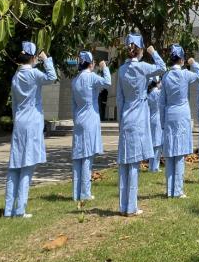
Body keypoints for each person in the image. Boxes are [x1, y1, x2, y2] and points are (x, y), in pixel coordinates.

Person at [4, 41, 57, 218]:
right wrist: (46, 59)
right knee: (27, 166)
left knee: (14, 166)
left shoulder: (16, 76)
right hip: (32, 122)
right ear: (33, 57)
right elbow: (52, 77)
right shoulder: (33, 74)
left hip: (19, 122)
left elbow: (14, 105)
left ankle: (8, 209)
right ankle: (20, 209)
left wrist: (16, 120)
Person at [117, 34, 166, 216]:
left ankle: (122, 206)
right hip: (138, 117)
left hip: (126, 116)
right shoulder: (143, 67)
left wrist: (120, 122)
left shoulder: (121, 70)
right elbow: (162, 68)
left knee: (124, 163)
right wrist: (153, 53)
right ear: (140, 50)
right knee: (134, 164)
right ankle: (131, 207)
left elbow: (120, 98)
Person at [160, 44, 199, 198]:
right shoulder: (185, 74)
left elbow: (162, 102)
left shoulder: (166, 76)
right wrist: (194, 63)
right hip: (182, 114)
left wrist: (162, 121)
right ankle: (178, 190)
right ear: (181, 60)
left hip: (169, 114)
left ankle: (169, 190)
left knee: (170, 153)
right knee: (179, 153)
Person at [71, 50, 111, 203]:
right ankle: (85, 192)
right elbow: (107, 82)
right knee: (87, 156)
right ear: (91, 64)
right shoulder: (91, 77)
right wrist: (104, 67)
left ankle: (76, 193)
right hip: (90, 118)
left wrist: (75, 119)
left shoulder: (75, 80)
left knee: (78, 156)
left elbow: (73, 105)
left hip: (79, 119)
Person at [147, 77, 163, 173]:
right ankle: (155, 167)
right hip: (158, 118)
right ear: (157, 83)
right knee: (157, 144)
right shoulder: (158, 92)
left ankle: (150, 166)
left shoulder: (148, 93)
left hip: (150, 118)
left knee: (152, 143)